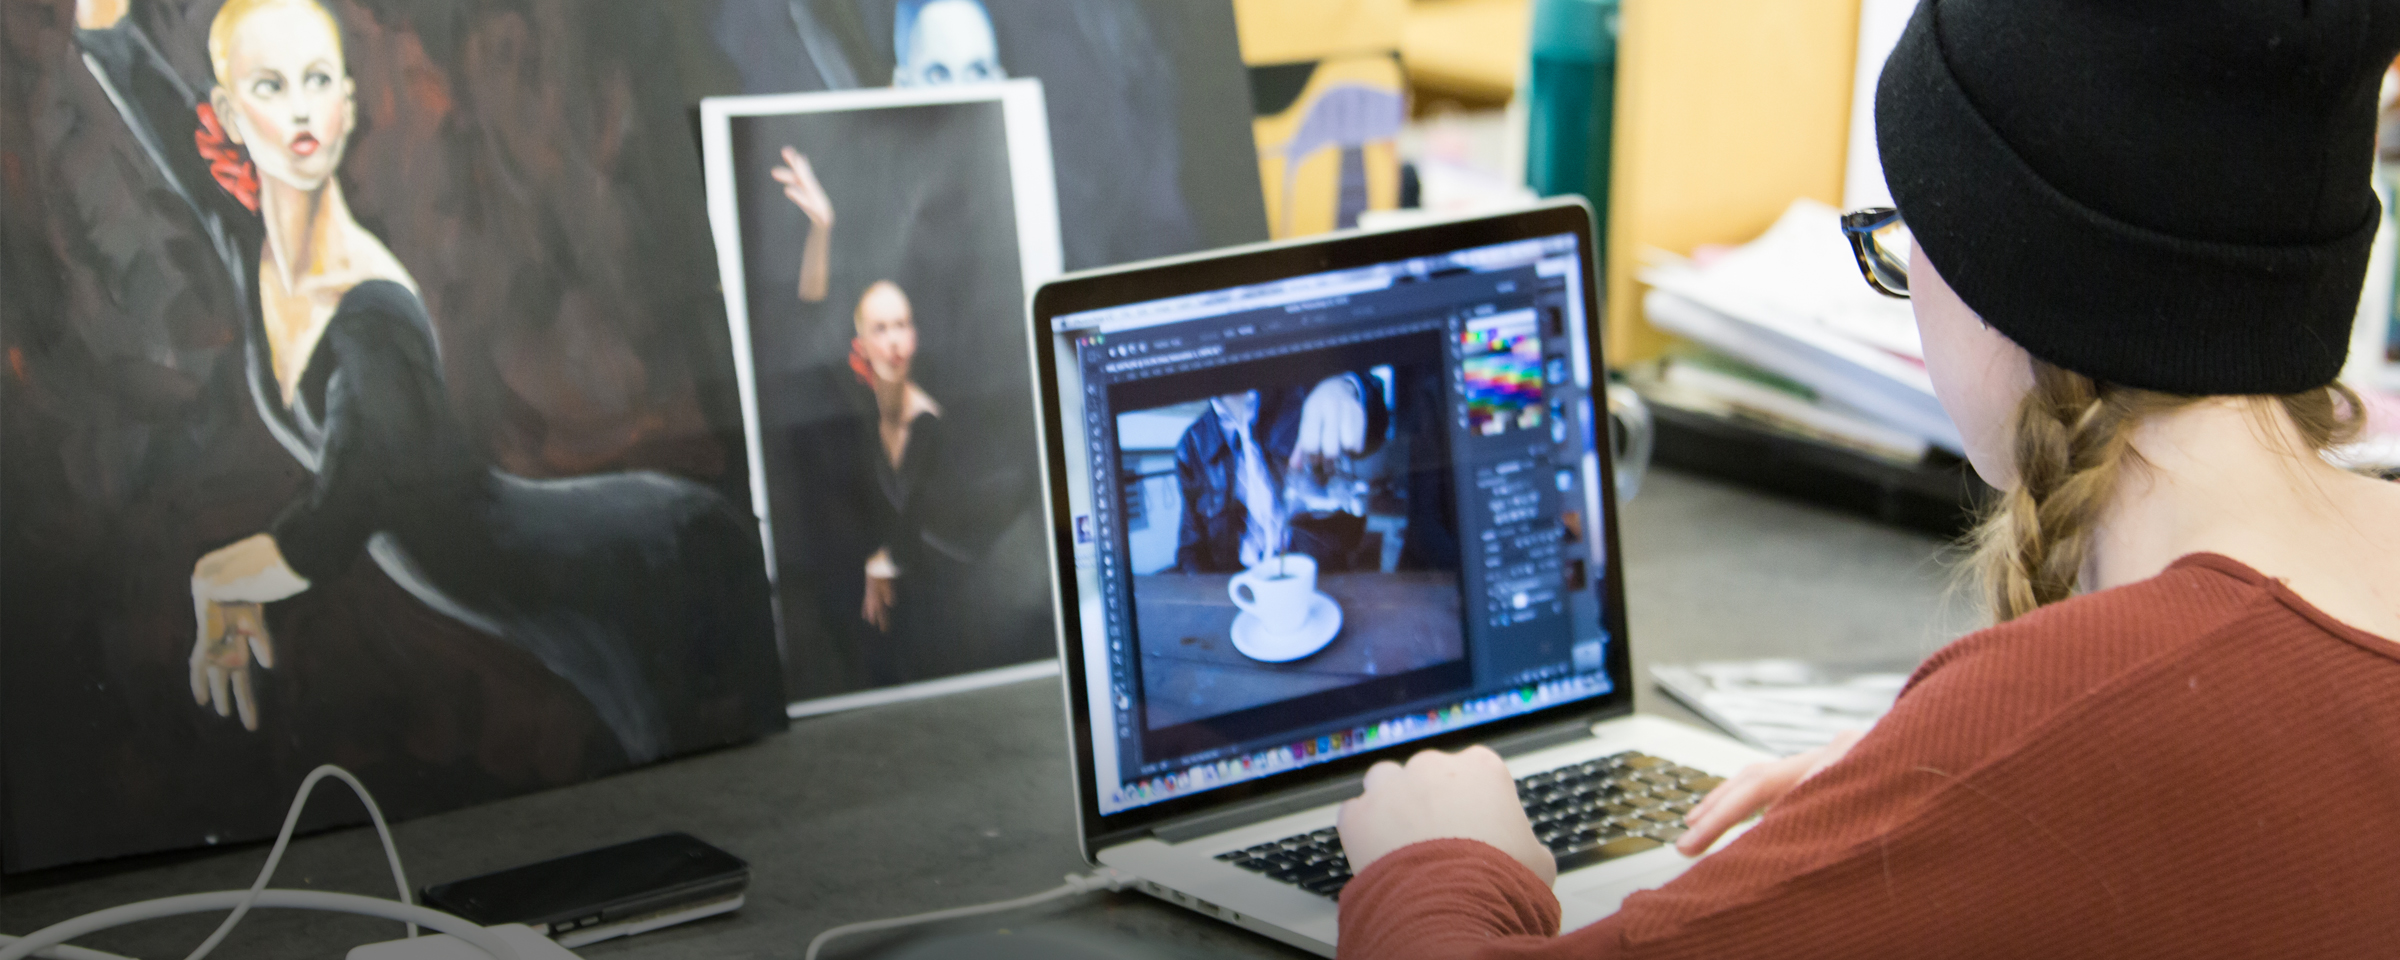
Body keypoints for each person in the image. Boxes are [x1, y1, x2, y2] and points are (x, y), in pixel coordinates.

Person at [1331, 1, 2400, 956]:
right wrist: (1927, 811)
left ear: (1998, 267)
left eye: (1900, 236)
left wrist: (1436, 861)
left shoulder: (2055, 729)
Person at [73, 0, 784, 763]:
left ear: (347, 104)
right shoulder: (255, 235)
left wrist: (217, 579)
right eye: (270, 87)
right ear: (228, 112)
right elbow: (123, 61)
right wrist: (103, 30)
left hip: (612, 568)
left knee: (704, 769)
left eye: (317, 80)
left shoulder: (371, 319)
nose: (300, 108)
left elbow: (336, 522)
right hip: (530, 594)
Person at [1171, 377, 1388, 574]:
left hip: (1320, 576)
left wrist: (1346, 386)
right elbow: (1191, 548)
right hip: (1243, 583)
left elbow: (1374, 415)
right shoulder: (1191, 445)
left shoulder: (1303, 395)